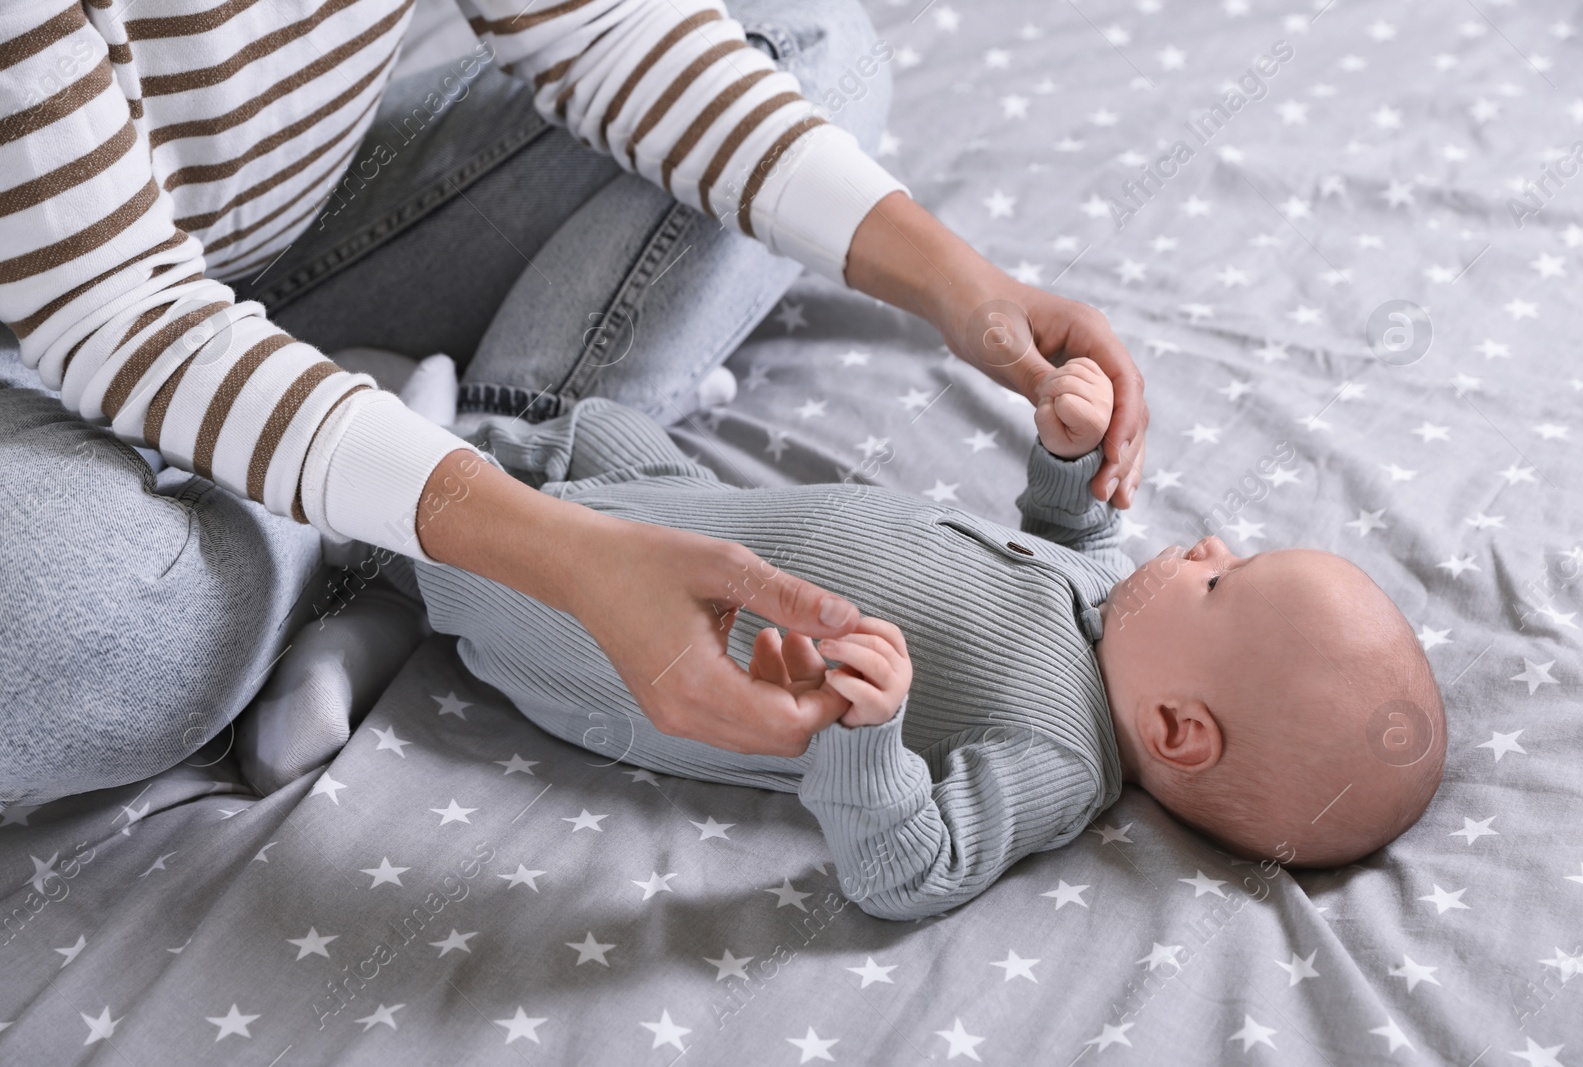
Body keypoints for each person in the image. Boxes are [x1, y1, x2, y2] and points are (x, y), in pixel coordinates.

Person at [0, 0, 1147, 804]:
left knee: (811, 51)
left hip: (259, 251)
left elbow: (601, 29)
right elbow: (119, 311)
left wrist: (962, 286)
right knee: (46, 618)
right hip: (50, 337)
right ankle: (421, 519)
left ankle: (423, 493)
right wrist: (558, 557)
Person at [410, 359, 1446, 919]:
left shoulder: (1058, 755)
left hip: (644, 646)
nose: (1209, 539)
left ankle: (367, 561)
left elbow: (909, 868)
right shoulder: (1109, 602)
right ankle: (412, 528)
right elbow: (1067, 533)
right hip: (685, 514)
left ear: (1176, 728)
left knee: (476, 570)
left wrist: (868, 732)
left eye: (1221, 578)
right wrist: (1065, 455)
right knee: (605, 435)